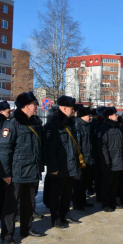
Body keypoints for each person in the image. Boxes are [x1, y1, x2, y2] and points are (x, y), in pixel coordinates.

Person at [0, 92, 45, 244]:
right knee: (11, 205)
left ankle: (27, 228)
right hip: (16, 172)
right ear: (26, 106)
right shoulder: (12, 123)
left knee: (29, 202)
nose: (37, 107)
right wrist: (6, 173)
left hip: (32, 170)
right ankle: (7, 235)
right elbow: (4, 150)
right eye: (34, 104)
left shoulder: (35, 123)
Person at [43, 96, 81, 228]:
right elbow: (49, 149)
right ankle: (56, 218)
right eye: (72, 108)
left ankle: (65, 215)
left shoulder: (70, 124)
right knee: (56, 195)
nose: (73, 111)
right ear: (64, 108)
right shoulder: (53, 125)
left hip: (70, 166)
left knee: (66, 194)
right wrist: (53, 167)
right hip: (58, 167)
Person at [96, 107, 123, 212]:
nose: (117, 116)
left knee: (114, 184)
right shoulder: (104, 129)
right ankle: (105, 204)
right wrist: (106, 162)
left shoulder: (117, 128)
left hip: (118, 160)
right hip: (109, 162)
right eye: (115, 114)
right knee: (106, 184)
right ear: (109, 116)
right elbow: (102, 147)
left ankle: (113, 202)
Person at [73, 106, 95, 210]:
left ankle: (83, 200)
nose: (90, 117)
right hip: (81, 159)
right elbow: (78, 145)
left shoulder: (88, 126)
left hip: (89, 158)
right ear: (82, 116)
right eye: (88, 115)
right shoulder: (78, 126)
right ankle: (77, 203)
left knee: (86, 181)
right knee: (79, 183)